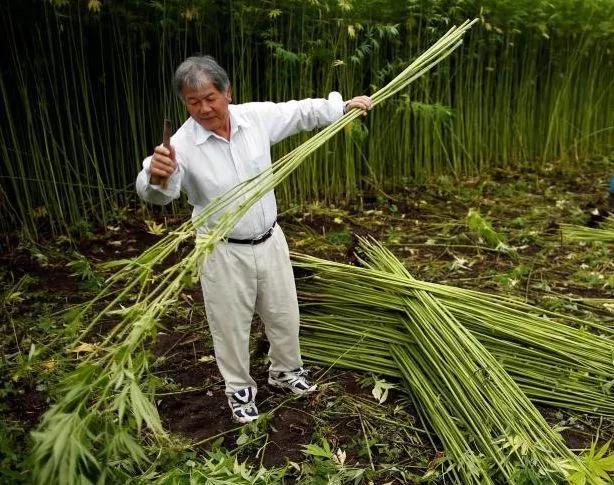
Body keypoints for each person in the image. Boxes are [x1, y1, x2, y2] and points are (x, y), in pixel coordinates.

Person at [136, 55, 372, 423]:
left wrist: (340, 107)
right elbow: (159, 192)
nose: (203, 108)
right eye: (192, 102)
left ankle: (285, 372)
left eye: (210, 98)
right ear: (183, 102)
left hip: (270, 239)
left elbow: (298, 113)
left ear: (227, 92)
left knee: (283, 314)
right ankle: (239, 390)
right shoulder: (180, 145)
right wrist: (155, 175)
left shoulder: (253, 118)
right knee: (230, 325)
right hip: (223, 250)